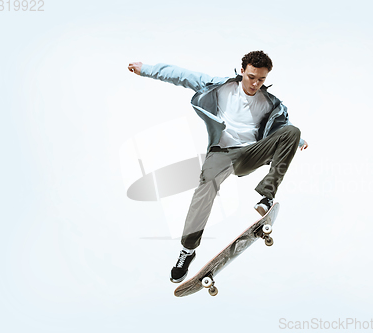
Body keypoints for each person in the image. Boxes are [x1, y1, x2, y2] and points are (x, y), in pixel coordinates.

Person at [128, 51, 308, 283]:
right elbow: (182, 75)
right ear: (242, 70)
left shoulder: (271, 103)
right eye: (251, 77)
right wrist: (148, 69)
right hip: (221, 153)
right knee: (204, 191)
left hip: (250, 154)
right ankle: (187, 251)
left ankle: (266, 197)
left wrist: (298, 140)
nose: (255, 84)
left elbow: (284, 126)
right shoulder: (219, 87)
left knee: (294, 132)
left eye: (261, 80)